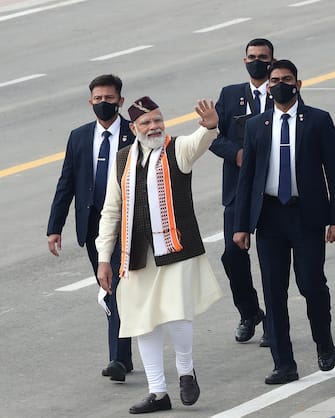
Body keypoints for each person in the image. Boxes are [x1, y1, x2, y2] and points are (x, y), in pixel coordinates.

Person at [96, 96, 223, 414]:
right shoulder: (123, 158)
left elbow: (198, 143)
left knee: (176, 312)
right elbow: (112, 209)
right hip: (136, 254)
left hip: (175, 249)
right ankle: (158, 393)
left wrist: (210, 127)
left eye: (157, 120)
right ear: (133, 127)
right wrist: (103, 257)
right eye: (146, 123)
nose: (154, 127)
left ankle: (185, 370)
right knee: (142, 322)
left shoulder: (176, 148)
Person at [233, 59, 335, 384]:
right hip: (270, 218)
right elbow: (247, 178)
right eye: (275, 79)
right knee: (273, 292)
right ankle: (284, 363)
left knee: (311, 283)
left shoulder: (318, 120)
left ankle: (325, 344)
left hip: (306, 215)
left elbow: (333, 170)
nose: (280, 84)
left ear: (298, 84)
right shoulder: (256, 126)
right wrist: (241, 225)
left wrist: (334, 218)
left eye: (286, 79)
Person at [47, 74, 135, 382]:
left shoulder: (133, 133)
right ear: (90, 103)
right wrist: (54, 226)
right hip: (92, 225)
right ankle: (123, 355)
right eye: (98, 100)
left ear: (120, 101)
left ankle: (118, 359)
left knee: (116, 290)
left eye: (109, 99)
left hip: (128, 223)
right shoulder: (80, 136)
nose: (103, 104)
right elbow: (66, 183)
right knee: (109, 289)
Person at [210, 38, 275, 346]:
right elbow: (213, 136)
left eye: (262, 57)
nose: (256, 62)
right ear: (244, 60)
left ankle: (275, 323)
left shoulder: (282, 94)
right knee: (232, 255)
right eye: (251, 57)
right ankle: (249, 312)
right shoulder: (230, 95)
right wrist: (236, 154)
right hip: (238, 192)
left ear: (272, 61)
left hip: (274, 192)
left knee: (272, 259)